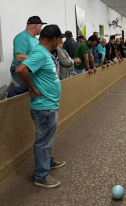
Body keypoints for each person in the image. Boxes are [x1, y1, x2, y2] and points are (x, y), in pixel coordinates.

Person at [15, 25, 65, 188]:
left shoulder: (43, 53)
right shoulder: (40, 53)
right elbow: (21, 69)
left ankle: (48, 161)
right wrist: (32, 87)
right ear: (55, 39)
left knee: (47, 138)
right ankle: (41, 176)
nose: (60, 42)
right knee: (43, 140)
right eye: (60, 39)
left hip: (48, 105)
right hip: (44, 107)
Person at [7, 16, 47, 98]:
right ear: (36, 26)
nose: (41, 29)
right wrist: (37, 59)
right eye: (41, 26)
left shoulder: (36, 40)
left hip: (31, 69)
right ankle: (10, 96)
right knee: (30, 85)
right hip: (18, 69)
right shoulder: (22, 37)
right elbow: (19, 57)